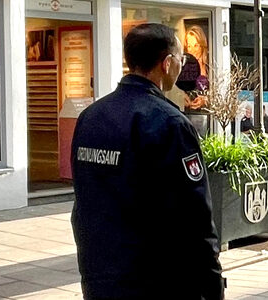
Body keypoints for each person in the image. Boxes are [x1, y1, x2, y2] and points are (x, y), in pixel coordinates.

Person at [70, 23, 223, 299]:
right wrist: (212, 284)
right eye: (180, 58)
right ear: (167, 63)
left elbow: (82, 202)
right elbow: (195, 216)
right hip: (154, 281)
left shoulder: (90, 118)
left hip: (100, 277)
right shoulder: (169, 123)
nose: (181, 65)